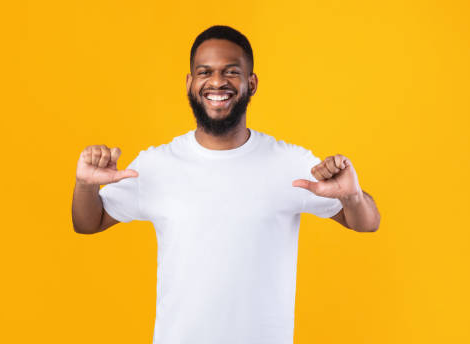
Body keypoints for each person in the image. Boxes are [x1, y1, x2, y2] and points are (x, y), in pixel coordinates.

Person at [71, 25, 380, 344]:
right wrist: (85, 184)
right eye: (205, 72)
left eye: (231, 72)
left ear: (252, 83)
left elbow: (367, 223)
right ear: (190, 83)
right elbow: (87, 222)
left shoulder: (289, 162)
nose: (217, 82)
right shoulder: (157, 164)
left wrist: (353, 196)